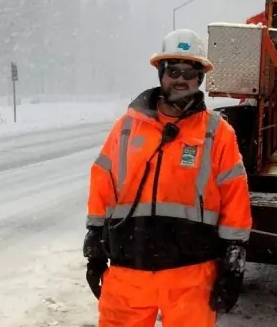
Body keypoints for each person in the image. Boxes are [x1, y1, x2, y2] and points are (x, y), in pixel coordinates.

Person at [83, 28, 253, 327]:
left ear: (200, 78)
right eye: (173, 71)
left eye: (190, 73)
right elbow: (102, 182)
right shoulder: (126, 128)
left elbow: (234, 196)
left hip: (192, 275)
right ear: (161, 73)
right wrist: (94, 241)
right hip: (128, 271)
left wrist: (235, 255)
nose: (181, 79)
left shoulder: (217, 132)